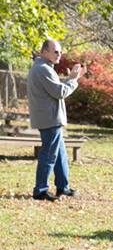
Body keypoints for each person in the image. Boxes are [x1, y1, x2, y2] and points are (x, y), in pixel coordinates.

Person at [27, 39, 85, 201]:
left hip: (51, 118)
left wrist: (71, 79)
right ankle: (40, 191)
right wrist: (74, 80)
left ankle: (63, 188)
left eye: (60, 52)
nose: (59, 54)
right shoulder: (43, 69)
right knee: (49, 154)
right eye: (56, 52)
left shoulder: (43, 68)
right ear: (44, 52)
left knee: (60, 154)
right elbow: (60, 92)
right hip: (49, 119)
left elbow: (54, 89)